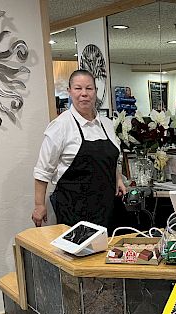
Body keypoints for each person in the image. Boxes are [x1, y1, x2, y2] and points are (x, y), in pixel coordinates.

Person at [32, 69, 127, 233]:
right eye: (78, 88)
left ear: (95, 92)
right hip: (74, 210)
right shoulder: (60, 126)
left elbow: (110, 158)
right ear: (69, 91)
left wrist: (118, 178)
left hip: (107, 208)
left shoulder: (106, 124)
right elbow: (43, 170)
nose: (84, 94)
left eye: (89, 89)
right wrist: (39, 205)